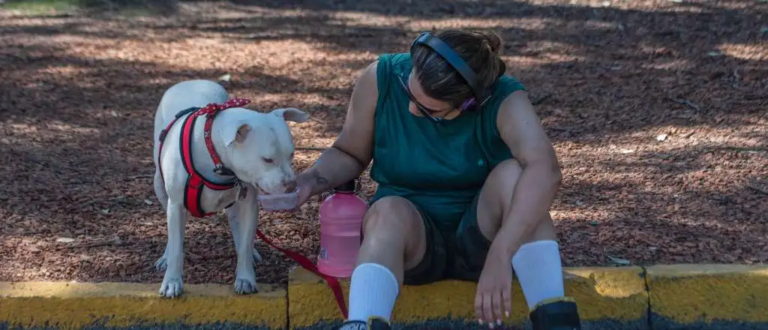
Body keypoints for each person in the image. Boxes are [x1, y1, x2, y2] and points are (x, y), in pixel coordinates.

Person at [293, 29, 582, 330]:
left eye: (429, 110)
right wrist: (310, 181)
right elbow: (349, 152)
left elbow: (545, 170)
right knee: (385, 210)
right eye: (409, 93)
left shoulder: (503, 97)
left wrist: (502, 251)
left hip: (482, 233)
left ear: (468, 105)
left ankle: (556, 319)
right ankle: (362, 323)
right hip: (410, 238)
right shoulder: (384, 75)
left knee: (516, 177)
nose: (411, 110)